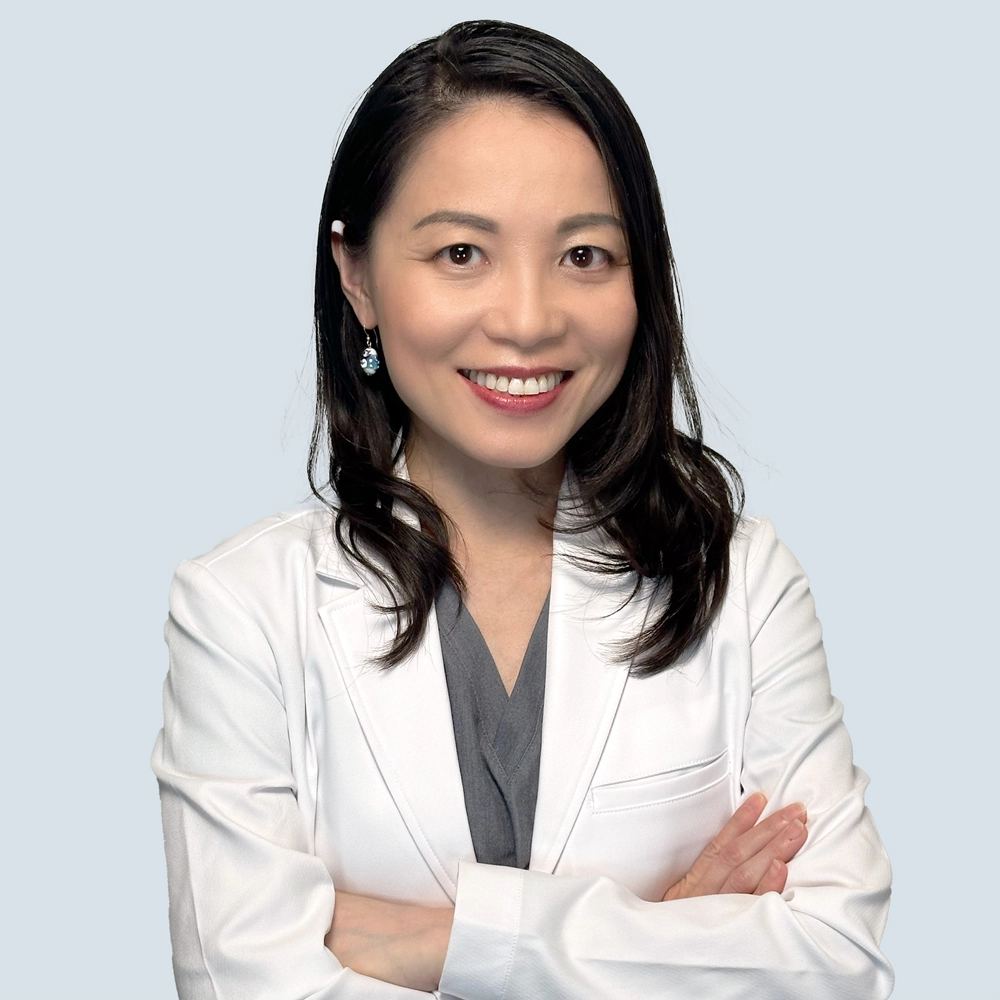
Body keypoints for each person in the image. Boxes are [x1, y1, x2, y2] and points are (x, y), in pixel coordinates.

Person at [151, 19, 893, 999]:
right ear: (357, 275)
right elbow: (243, 987)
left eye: (584, 255)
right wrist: (663, 935)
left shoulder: (743, 583)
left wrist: (443, 940)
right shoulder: (241, 610)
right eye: (462, 252)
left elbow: (838, 964)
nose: (530, 320)